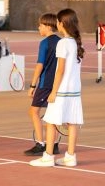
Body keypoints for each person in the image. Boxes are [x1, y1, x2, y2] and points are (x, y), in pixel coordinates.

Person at [30, 8, 84, 167]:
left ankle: (48, 157)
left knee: (51, 122)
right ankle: (70, 157)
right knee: (72, 123)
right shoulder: (74, 43)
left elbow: (60, 70)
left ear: (61, 24)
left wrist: (53, 92)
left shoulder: (63, 43)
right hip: (74, 90)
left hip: (61, 90)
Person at [24, 13, 61, 156]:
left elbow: (40, 65)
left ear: (47, 26)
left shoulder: (44, 43)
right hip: (58, 84)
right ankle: (55, 144)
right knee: (54, 114)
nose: (38, 27)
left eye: (40, 25)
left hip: (45, 84)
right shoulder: (61, 42)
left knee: (33, 111)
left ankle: (40, 143)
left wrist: (33, 86)